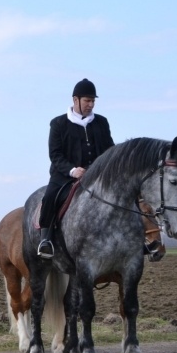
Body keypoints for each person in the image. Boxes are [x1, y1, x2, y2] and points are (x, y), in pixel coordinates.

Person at [37, 78, 114, 259]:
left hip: (96, 177)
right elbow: (55, 154)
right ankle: (45, 239)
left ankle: (138, 238)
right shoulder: (58, 124)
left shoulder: (101, 122)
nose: (91, 104)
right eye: (87, 100)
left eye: (93, 101)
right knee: (49, 197)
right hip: (65, 176)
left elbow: (109, 150)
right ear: (75, 100)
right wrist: (73, 170)